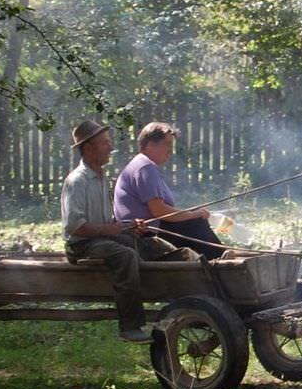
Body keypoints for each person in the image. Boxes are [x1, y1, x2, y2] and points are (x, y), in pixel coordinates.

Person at [61, 120, 194, 344]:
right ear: (88, 148)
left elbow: (106, 220)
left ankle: (189, 273)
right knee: (125, 255)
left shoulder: (102, 179)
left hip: (101, 238)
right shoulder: (77, 181)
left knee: (147, 242)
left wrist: (130, 225)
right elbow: (75, 226)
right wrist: (110, 229)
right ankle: (129, 326)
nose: (110, 147)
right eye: (104, 144)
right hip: (81, 245)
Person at [114, 122, 226, 259]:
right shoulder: (145, 167)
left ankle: (219, 256)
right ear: (150, 144)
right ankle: (221, 258)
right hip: (145, 235)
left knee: (193, 222)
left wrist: (192, 214)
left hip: (149, 230)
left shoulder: (141, 165)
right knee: (195, 223)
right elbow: (159, 211)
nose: (170, 150)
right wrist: (194, 214)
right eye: (167, 144)